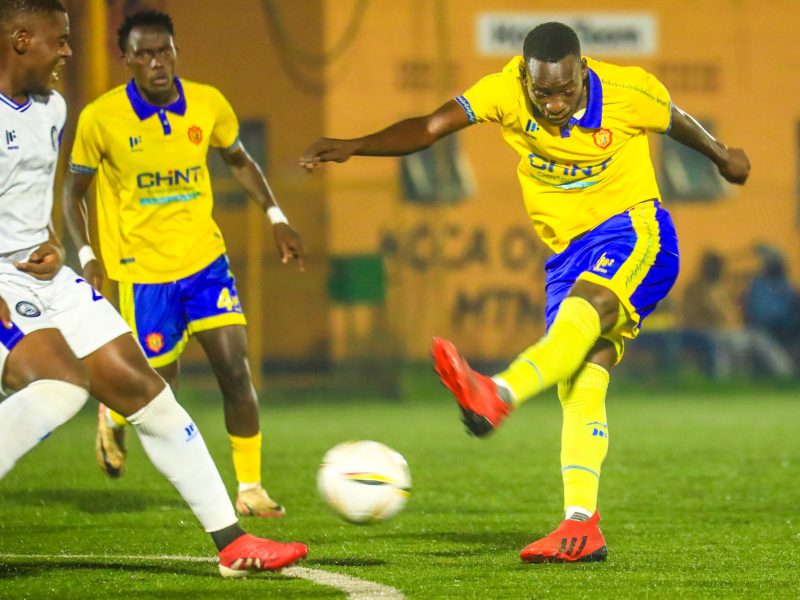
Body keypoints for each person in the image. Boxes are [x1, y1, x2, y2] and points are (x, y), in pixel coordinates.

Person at [301, 22, 750, 563]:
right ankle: (581, 526)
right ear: (525, 78)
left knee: (582, 315)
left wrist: (721, 155)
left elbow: (674, 119)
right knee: (580, 382)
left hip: (633, 232)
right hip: (565, 256)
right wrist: (356, 146)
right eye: (543, 93)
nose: (555, 104)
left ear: (583, 71)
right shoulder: (503, 91)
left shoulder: (629, 91)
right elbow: (430, 127)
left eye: (566, 90)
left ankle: (499, 393)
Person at [0, 0, 306, 575]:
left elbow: (30, 203)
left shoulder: (51, 108)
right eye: (58, 40)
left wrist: (57, 246)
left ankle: (233, 543)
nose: (68, 50)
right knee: (62, 387)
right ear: (20, 40)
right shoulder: (85, 116)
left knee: (152, 398)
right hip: (7, 281)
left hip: (51, 278)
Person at [682, 251, 793, 378]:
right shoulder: (697, 288)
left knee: (760, 337)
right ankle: (726, 379)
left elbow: (731, 313)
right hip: (707, 332)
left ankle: (785, 372)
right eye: (716, 266)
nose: (719, 270)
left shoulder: (718, 287)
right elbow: (709, 313)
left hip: (727, 332)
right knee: (736, 342)